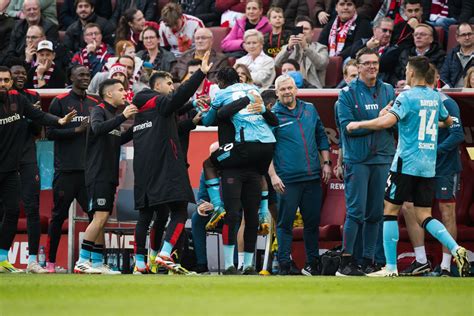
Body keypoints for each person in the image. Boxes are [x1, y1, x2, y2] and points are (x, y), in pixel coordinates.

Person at [346, 55, 470, 277]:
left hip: (405, 163)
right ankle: (455, 248)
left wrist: (360, 123)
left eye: (406, 71)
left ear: (412, 73)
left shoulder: (406, 96)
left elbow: (387, 122)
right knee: (424, 215)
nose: (405, 74)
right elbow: (449, 121)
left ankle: (390, 267)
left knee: (390, 211)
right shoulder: (434, 97)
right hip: (428, 166)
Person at [128, 53, 212, 274]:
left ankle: (142, 264)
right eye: (168, 84)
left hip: (144, 172)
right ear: (157, 87)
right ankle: (164, 254)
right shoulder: (159, 103)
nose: (172, 87)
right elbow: (176, 100)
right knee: (180, 210)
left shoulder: (146, 112)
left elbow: (172, 122)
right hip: (166, 167)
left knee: (150, 215)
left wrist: (191, 117)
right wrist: (200, 75)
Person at [200, 67, 278, 275]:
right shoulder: (253, 90)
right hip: (265, 150)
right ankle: (249, 264)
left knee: (210, 166)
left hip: (238, 154)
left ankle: (227, 263)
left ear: (221, 82)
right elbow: (274, 121)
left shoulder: (222, 93)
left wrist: (210, 110)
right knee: (250, 215)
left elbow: (209, 120)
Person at [0, 65, 76, 273]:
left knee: (18, 210)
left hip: (16, 165)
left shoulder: (20, 100)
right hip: (5, 165)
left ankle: (13, 260)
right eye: (2, 80)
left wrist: (58, 121)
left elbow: (38, 117)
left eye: (6, 80)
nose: (4, 84)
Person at [336, 48, 396, 276]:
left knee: (375, 213)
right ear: (358, 66)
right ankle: (346, 261)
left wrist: (375, 122)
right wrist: (379, 119)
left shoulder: (388, 90)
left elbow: (394, 124)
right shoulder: (347, 93)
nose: (372, 67)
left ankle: (369, 260)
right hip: (358, 160)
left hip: (382, 158)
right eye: (367, 63)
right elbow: (347, 128)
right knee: (355, 212)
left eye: (375, 63)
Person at [400, 64, 464, 277]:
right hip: (419, 166)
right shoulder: (413, 100)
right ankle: (420, 260)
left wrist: (433, 151)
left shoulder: (447, 102)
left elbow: (457, 134)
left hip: (444, 166)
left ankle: (446, 265)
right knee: (408, 207)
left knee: (447, 211)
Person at [269, 74, 331, 276]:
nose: (287, 92)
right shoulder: (272, 116)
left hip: (313, 178)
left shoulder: (309, 109)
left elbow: (321, 136)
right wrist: (273, 176)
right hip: (286, 181)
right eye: (282, 89)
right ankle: (285, 264)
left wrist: (327, 163)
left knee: (312, 224)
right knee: (285, 224)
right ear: (277, 93)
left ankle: (313, 263)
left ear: (296, 89)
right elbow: (266, 149)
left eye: (290, 88)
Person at [74, 79, 137, 274]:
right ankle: (82, 261)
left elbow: (119, 139)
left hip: (108, 174)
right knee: (99, 217)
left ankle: (97, 262)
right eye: (120, 90)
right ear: (109, 94)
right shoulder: (98, 110)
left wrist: (139, 125)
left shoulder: (113, 115)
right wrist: (123, 117)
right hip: (98, 173)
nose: (124, 92)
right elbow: (97, 128)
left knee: (102, 218)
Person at [44, 65, 98, 273]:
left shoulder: (95, 103)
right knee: (58, 217)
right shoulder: (60, 102)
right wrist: (76, 129)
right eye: (81, 75)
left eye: (87, 74)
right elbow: (49, 133)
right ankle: (49, 263)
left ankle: (92, 261)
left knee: (96, 216)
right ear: (70, 77)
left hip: (88, 172)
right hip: (65, 171)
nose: (85, 77)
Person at [10, 64, 47, 273]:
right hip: (6, 158)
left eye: (24, 73)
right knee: (7, 209)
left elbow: (36, 131)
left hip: (27, 156)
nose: (21, 76)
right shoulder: (5, 98)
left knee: (33, 207)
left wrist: (35, 116)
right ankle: (3, 258)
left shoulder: (33, 95)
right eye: (16, 74)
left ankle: (32, 261)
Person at [275, 16, 329, 88]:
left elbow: (322, 64)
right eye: (299, 29)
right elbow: (277, 64)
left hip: (313, 89)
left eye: (306, 29)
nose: (302, 32)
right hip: (289, 87)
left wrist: (305, 47)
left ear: (312, 32)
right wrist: (289, 48)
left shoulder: (321, 48)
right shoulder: (288, 48)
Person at [394, 23, 445, 88]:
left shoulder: (440, 55)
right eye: (415, 35)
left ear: (431, 39)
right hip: (403, 90)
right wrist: (397, 82)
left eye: (423, 34)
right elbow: (394, 73)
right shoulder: (405, 53)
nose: (418, 37)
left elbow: (439, 77)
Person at [350, 17, 399, 84]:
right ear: (374, 30)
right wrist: (367, 47)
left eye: (390, 32)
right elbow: (352, 55)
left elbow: (382, 65)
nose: (388, 34)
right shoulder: (363, 42)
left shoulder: (394, 49)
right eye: (384, 30)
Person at [440, 23, 474, 88]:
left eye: (469, 34)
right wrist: (450, 90)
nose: (467, 37)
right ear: (457, 37)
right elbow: (443, 76)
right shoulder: (452, 54)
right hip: (453, 94)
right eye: (463, 35)